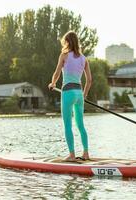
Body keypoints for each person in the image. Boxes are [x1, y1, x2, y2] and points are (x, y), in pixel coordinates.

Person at [48, 31, 92, 161]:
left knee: (67, 125)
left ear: (67, 42)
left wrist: (52, 83)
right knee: (80, 125)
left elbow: (56, 73)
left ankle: (72, 155)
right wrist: (84, 95)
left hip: (67, 92)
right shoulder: (84, 59)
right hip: (79, 93)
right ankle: (86, 153)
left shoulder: (64, 56)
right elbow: (89, 80)